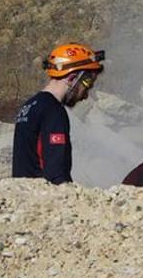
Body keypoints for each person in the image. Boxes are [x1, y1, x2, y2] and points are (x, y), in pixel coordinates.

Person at [12, 42, 104, 184]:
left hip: (22, 195)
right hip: (43, 199)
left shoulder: (29, 105)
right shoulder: (53, 111)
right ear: (73, 78)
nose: (85, 95)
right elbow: (56, 173)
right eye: (87, 86)